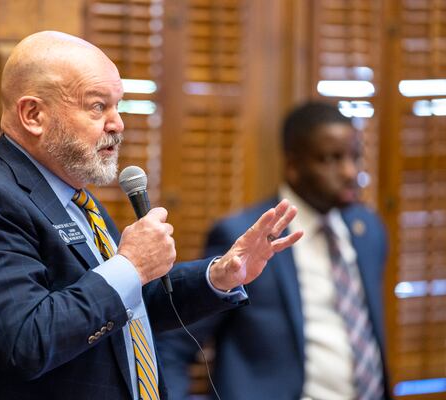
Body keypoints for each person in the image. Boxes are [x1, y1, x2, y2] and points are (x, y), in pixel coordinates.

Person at [0, 31, 302, 400]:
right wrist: (130, 265)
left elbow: (123, 307)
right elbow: (28, 341)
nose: (118, 123)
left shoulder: (73, 198)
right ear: (33, 114)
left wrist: (218, 275)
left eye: (118, 106)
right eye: (98, 106)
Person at [157, 101, 391, 400]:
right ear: (293, 166)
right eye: (331, 159)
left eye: (354, 157)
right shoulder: (244, 236)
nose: (349, 172)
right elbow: (177, 343)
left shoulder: (368, 229)